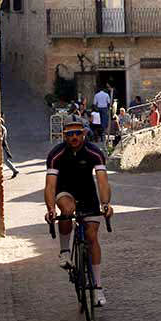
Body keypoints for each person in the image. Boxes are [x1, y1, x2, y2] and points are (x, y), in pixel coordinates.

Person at [44, 115, 114, 306]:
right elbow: (50, 186)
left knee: (92, 236)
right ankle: (65, 251)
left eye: (77, 133)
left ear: (84, 134)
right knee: (67, 208)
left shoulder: (94, 152)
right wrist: (50, 209)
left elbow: (102, 181)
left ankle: (98, 287)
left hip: (87, 193)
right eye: (69, 134)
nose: (74, 137)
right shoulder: (56, 154)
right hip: (65, 191)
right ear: (64, 136)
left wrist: (105, 204)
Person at [0, 113, 20, 179]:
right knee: (5, 160)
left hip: (3, 145)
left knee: (5, 160)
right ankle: (14, 170)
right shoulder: (3, 128)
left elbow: (1, 138)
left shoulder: (2, 129)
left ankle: (15, 170)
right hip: (3, 145)